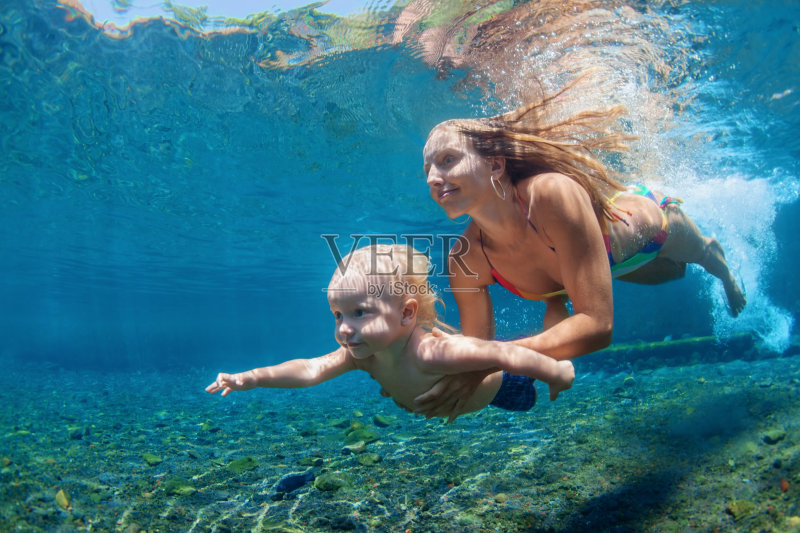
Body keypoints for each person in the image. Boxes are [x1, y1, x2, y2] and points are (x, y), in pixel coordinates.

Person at [416, 81, 746, 417]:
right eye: (428, 169)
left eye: (447, 160)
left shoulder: (551, 194)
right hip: (602, 264)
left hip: (654, 228)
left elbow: (597, 325)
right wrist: (408, 374)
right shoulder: (464, 258)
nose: (432, 178)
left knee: (700, 256)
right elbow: (478, 355)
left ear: (496, 165)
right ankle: (556, 296)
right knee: (673, 274)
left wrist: (492, 359)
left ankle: (727, 274)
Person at [206, 244, 575, 419]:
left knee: (530, 383)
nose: (344, 329)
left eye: (360, 313)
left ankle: (555, 302)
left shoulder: (433, 353)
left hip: (503, 385)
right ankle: (555, 305)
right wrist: (250, 378)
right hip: (469, 403)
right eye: (337, 315)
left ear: (406, 314)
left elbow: (504, 355)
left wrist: (556, 372)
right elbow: (310, 369)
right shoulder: (362, 357)